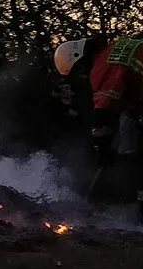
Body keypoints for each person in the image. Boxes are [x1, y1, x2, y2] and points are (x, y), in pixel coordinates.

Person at [56, 35, 143, 217]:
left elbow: (103, 110)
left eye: (78, 72)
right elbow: (127, 89)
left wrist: (102, 146)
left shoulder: (100, 68)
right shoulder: (116, 46)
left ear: (80, 59)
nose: (82, 76)